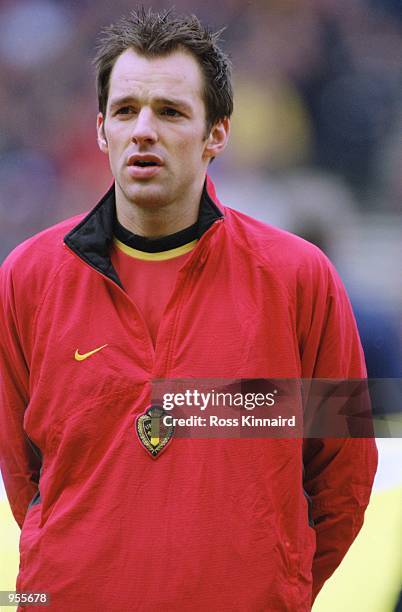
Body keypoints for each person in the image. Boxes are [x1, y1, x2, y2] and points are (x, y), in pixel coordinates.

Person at [0, 8, 377, 611]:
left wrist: (271, 586)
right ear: (101, 130)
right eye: (125, 111)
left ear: (216, 134)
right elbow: (23, 476)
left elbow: (346, 476)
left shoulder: (302, 279)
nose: (143, 130)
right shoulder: (26, 278)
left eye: (171, 112)